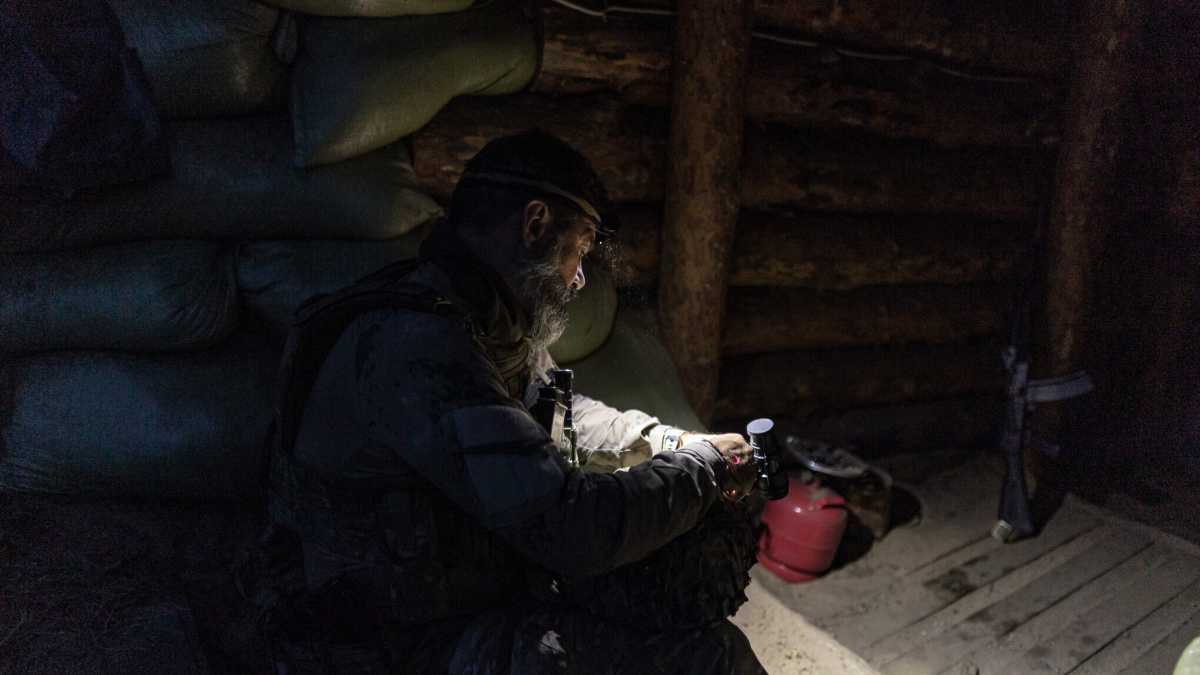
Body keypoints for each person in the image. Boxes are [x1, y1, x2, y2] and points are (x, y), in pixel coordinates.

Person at [257, 130, 767, 673]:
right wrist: (702, 470)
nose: (576, 281)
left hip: (456, 602)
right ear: (535, 224)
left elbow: (557, 412)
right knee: (709, 658)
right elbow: (571, 528)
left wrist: (666, 439)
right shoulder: (418, 344)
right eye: (581, 248)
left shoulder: (481, 321)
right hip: (385, 642)